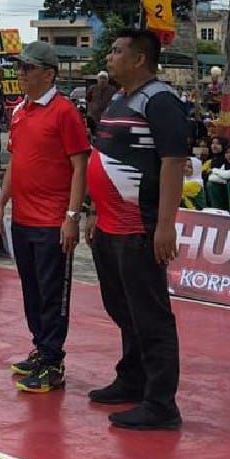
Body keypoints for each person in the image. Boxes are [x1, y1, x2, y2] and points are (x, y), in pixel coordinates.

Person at [85, 29, 185, 430]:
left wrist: (165, 225)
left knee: (150, 314)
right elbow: (105, 156)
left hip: (139, 227)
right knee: (122, 308)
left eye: (116, 51)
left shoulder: (160, 101)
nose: (109, 57)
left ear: (139, 59)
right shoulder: (117, 101)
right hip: (109, 225)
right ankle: (132, 378)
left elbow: (174, 162)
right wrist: (93, 210)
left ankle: (161, 404)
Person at [0, 41, 89, 394]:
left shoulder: (64, 112)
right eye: (19, 68)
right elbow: (16, 162)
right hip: (24, 218)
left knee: (52, 293)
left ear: (48, 73)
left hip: (52, 220)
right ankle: (40, 349)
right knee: (31, 290)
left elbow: (80, 166)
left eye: (27, 69)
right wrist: (2, 202)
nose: (20, 74)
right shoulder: (20, 111)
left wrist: (72, 216)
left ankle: (53, 361)